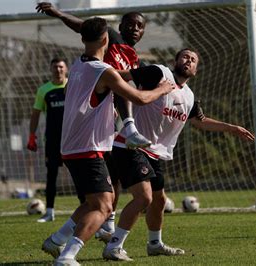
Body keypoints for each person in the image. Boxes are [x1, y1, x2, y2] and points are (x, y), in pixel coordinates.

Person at [40, 17, 174, 266]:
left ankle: (56, 240)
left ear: (83, 39)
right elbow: (140, 98)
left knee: (96, 201)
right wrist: (163, 89)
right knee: (103, 207)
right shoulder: (104, 72)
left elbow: (114, 76)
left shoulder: (78, 65)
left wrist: (135, 71)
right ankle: (67, 257)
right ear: (106, 39)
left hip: (72, 147)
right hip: (87, 148)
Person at [102, 48, 255, 261]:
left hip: (155, 153)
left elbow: (199, 122)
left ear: (196, 69)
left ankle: (154, 244)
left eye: (193, 60)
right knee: (144, 197)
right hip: (130, 146)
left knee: (159, 200)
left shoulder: (189, 96)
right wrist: (100, 74)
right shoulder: (158, 73)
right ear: (175, 60)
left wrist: (231, 128)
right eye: (185, 57)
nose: (189, 61)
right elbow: (121, 77)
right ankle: (114, 246)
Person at [36, 1, 148, 239]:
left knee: (110, 179)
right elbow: (83, 26)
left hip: (104, 122)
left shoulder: (133, 56)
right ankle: (130, 128)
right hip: (92, 123)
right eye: (130, 24)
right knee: (99, 193)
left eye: (140, 26)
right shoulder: (111, 41)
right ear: (118, 28)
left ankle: (101, 226)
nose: (135, 28)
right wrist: (57, 12)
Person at [27, 58, 68, 223]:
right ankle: (49, 212)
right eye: (55, 67)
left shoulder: (73, 86)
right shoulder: (44, 90)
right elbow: (36, 114)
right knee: (51, 175)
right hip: (52, 140)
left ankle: (85, 208)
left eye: (61, 67)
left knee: (79, 175)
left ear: (66, 69)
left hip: (73, 139)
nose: (58, 70)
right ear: (50, 69)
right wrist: (32, 135)